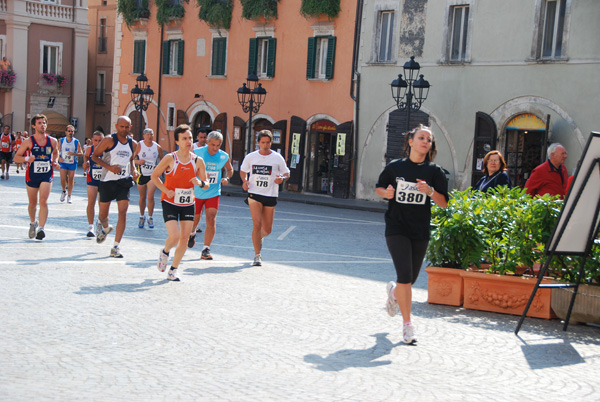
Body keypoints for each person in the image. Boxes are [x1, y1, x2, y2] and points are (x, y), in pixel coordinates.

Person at [375, 124, 449, 344]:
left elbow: (444, 203)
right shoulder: (395, 167)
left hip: (420, 229)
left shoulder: (434, 172)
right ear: (410, 142)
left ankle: (395, 292)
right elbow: (379, 187)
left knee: (411, 278)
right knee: (405, 275)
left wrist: (430, 191)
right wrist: (386, 193)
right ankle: (408, 325)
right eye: (421, 137)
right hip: (396, 227)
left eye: (429, 139)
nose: (425, 141)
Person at [151, 124, 209, 281]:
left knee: (184, 238)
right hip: (170, 201)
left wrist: (200, 183)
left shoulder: (198, 161)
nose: (188, 141)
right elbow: (154, 176)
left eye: (190, 138)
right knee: (174, 236)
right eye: (184, 138)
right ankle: (165, 250)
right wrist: (165, 189)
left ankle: (173, 270)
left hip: (188, 203)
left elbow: (206, 182)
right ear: (177, 141)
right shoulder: (170, 158)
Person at [240, 130, 290, 267]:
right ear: (258, 143)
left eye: (268, 142)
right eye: (263, 142)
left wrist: (282, 178)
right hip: (254, 194)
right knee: (256, 224)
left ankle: (259, 236)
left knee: (267, 229)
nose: (265, 145)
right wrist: (244, 181)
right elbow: (243, 170)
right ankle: (257, 255)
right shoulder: (251, 157)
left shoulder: (277, 157)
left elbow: (286, 173)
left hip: (270, 195)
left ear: (271, 142)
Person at [91, 116, 139, 258]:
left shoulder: (133, 144)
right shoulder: (108, 140)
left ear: (130, 127)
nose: (124, 130)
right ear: (116, 126)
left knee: (122, 213)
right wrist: (109, 167)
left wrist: (134, 169)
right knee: (103, 215)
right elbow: (95, 156)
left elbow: (131, 160)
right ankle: (105, 228)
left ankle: (116, 247)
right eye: (122, 127)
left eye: (127, 127)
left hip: (124, 182)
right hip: (107, 181)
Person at [13, 114, 60, 240]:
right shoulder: (28, 141)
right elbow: (16, 157)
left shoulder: (52, 141)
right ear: (34, 126)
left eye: (44, 123)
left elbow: (56, 152)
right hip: (32, 175)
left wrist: (55, 161)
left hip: (47, 174)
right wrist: (27, 158)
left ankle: (41, 228)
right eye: (39, 123)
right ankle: (33, 223)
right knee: (33, 203)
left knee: (43, 201)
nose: (42, 125)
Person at [189, 131, 234, 259]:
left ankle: (206, 249)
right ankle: (192, 233)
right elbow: (188, 167)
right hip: (197, 192)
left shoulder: (223, 156)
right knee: (195, 219)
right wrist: (200, 175)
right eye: (213, 145)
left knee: (211, 219)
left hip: (213, 192)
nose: (215, 148)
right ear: (207, 142)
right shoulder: (197, 153)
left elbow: (229, 169)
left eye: (218, 145)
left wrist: (227, 178)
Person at [134, 128, 164, 229]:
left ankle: (150, 217)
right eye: (147, 134)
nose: (149, 136)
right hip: (141, 174)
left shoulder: (157, 147)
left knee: (150, 197)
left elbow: (163, 160)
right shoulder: (139, 145)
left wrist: (158, 166)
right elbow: (132, 159)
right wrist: (138, 162)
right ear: (144, 136)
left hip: (152, 175)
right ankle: (142, 216)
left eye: (151, 134)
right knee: (142, 197)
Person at [82, 131, 104, 237]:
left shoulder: (107, 150)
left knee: (102, 204)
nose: (98, 142)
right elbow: (86, 156)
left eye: (100, 141)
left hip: (104, 179)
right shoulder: (89, 149)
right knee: (91, 202)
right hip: (92, 178)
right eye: (96, 140)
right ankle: (90, 227)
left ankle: (99, 223)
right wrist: (85, 163)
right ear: (92, 140)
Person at [57, 125, 83, 203]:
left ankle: (69, 195)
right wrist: (59, 158)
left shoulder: (76, 141)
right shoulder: (61, 141)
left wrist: (74, 154)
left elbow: (81, 153)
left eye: (72, 131)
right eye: (69, 131)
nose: (70, 132)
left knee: (71, 179)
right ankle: (64, 191)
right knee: (63, 179)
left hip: (72, 162)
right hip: (63, 162)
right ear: (65, 132)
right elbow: (57, 151)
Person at [192, 127, 209, 233]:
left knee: (201, 204)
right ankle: (191, 223)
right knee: (194, 202)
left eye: (204, 137)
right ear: (197, 137)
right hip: (193, 177)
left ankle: (196, 224)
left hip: (203, 178)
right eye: (201, 137)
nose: (203, 139)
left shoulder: (208, 148)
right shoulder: (193, 148)